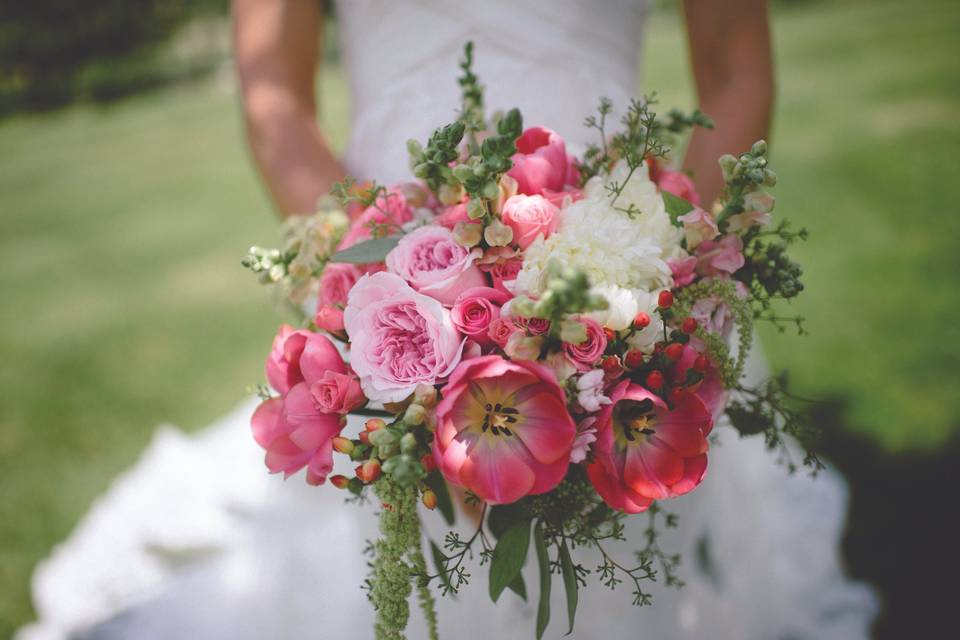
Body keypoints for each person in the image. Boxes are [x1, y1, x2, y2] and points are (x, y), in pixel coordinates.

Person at [17, 1, 877, 639]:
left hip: (628, 272)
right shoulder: (389, 305)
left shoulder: (655, 303)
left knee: (637, 570)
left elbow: (735, 68)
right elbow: (272, 91)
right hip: (392, 258)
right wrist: (378, 292)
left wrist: (675, 286)